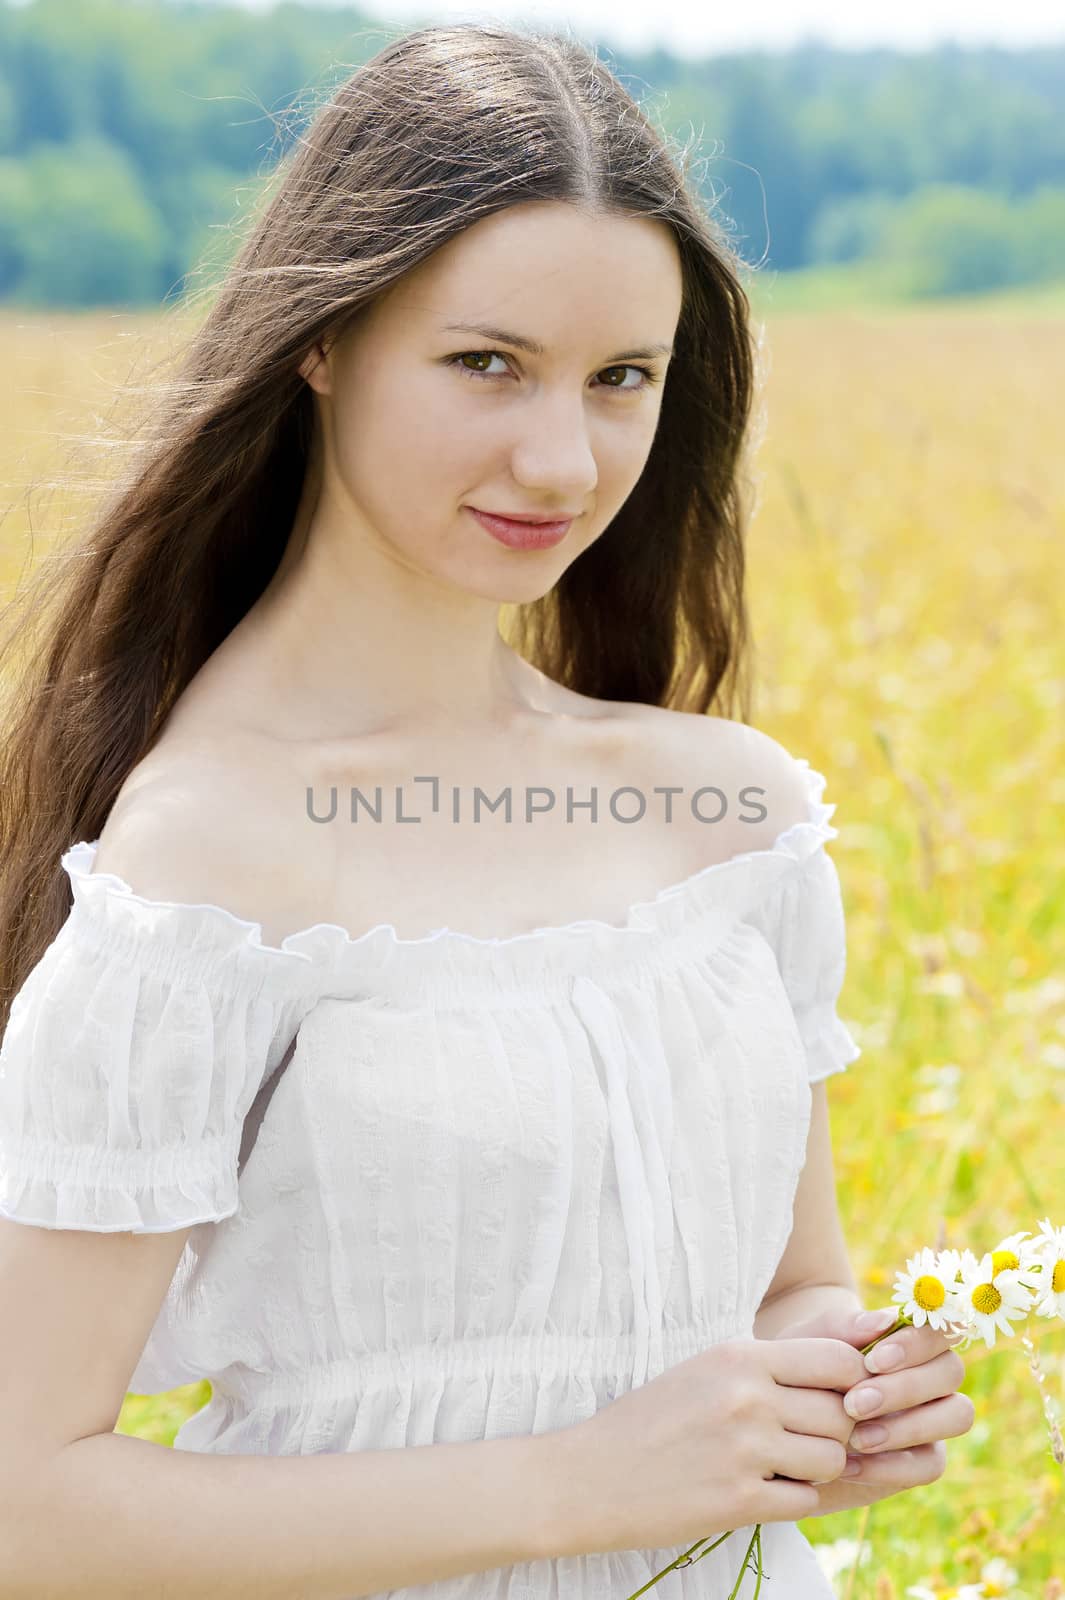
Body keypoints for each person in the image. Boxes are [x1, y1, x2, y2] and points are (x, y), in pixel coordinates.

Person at [0, 20, 973, 1599]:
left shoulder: (725, 818)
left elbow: (791, 1289)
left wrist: (830, 1387)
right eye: (486, 364)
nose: (561, 457)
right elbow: (25, 1508)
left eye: (621, 381)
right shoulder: (202, 863)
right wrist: (573, 1485)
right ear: (321, 341)